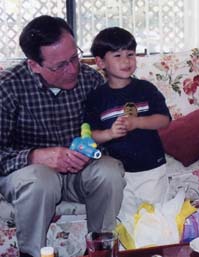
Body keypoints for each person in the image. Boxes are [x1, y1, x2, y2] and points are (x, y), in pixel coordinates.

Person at [0, 16, 126, 257]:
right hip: (28, 176)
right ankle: (32, 253)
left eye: (74, 58)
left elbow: (106, 135)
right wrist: (35, 156)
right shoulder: (8, 87)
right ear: (34, 65)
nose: (72, 70)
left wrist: (93, 150)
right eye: (60, 66)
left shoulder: (89, 79)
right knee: (41, 179)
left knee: (109, 170)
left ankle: (100, 250)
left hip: (78, 174)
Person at [85, 27, 171, 221]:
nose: (126, 61)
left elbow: (164, 119)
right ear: (100, 62)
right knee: (127, 223)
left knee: (157, 219)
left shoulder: (146, 89)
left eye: (130, 54)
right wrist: (109, 134)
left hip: (151, 168)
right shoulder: (96, 97)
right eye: (117, 55)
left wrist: (138, 122)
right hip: (119, 174)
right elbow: (89, 134)